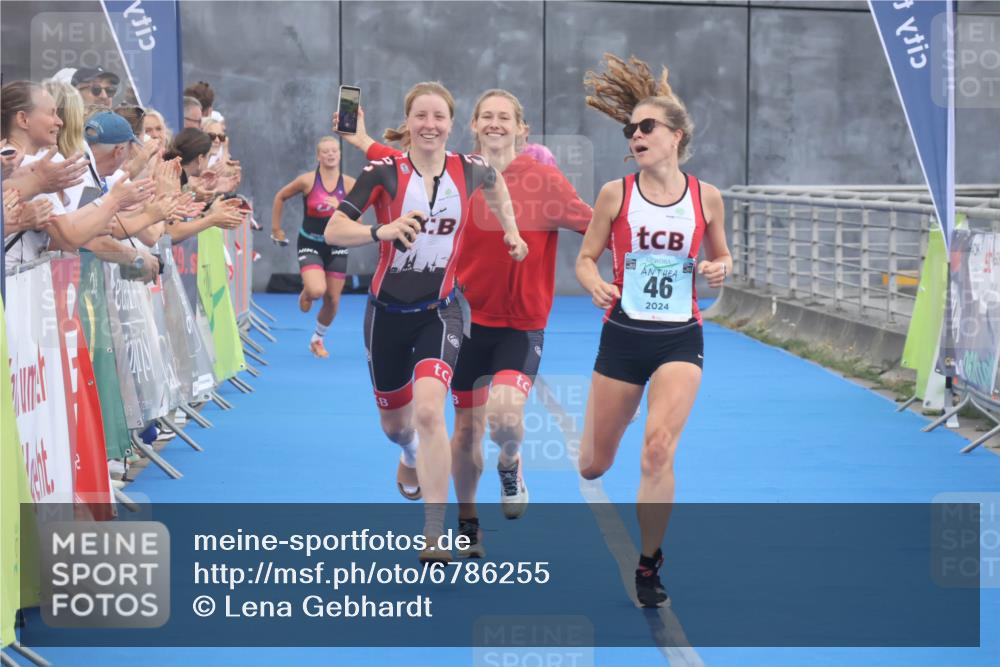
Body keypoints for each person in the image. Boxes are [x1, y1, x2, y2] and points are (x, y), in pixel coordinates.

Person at [338, 90, 591, 558]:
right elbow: (404, 159)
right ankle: (467, 520)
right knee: (462, 431)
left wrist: (640, 253)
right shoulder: (456, 168)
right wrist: (362, 139)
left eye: (505, 118)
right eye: (487, 117)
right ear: (473, 125)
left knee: (502, 418)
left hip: (520, 323)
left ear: (522, 129)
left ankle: (510, 462)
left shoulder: (544, 180)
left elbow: (595, 226)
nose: (495, 124)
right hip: (467, 317)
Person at [324, 81, 527, 563]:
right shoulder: (383, 173)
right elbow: (334, 228)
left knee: (432, 411)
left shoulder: (471, 168)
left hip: (439, 313)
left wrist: (512, 233)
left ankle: (434, 532)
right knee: (397, 426)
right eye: (421, 116)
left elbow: (498, 192)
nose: (429, 125)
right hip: (386, 317)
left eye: (438, 117)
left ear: (453, 125)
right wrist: (382, 230)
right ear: (408, 122)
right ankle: (410, 453)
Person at [575, 54, 732, 607]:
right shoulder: (616, 194)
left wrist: (717, 269)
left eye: (646, 127)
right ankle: (621, 410)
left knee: (658, 449)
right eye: (630, 129)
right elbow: (585, 258)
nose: (636, 136)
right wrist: (593, 281)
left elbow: (721, 260)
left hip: (678, 337)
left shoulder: (705, 197)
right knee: (593, 464)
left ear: (675, 137)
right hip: (622, 335)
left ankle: (648, 563)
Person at [271, 137, 356, 358]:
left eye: (334, 151)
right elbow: (280, 196)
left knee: (333, 300)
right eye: (325, 151)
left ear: (339, 154)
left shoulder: (349, 184)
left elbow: (358, 217)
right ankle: (308, 290)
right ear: (318, 156)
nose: (330, 154)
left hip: (337, 244)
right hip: (310, 242)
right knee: (318, 291)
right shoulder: (307, 181)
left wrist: (342, 208)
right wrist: (276, 229)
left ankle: (317, 339)